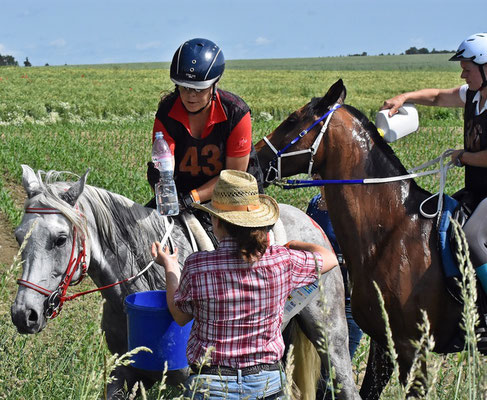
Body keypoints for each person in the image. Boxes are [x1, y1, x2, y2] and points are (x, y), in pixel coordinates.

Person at [151, 170, 339, 400]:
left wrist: (170, 267)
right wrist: (293, 244)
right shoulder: (282, 261)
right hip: (266, 384)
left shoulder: (198, 265)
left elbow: (180, 316)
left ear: (216, 221)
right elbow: (328, 258)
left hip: (210, 385)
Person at [381, 32, 487, 294]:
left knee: (473, 238)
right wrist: (405, 97)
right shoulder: (473, 95)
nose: (463, 76)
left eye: (467, 69)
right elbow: (439, 96)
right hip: (477, 191)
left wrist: (463, 157)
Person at [147, 38, 264, 232]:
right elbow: (166, 164)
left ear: (214, 85)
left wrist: (191, 198)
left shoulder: (236, 111)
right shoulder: (167, 112)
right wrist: (160, 181)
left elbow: (233, 176)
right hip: (183, 196)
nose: (191, 95)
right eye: (184, 88)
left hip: (234, 194)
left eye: (199, 89)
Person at [306, 192, 363, 359]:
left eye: (319, 171)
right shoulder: (315, 202)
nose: (315, 175)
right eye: (313, 172)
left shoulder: (351, 205)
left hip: (345, 299)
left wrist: (334, 259)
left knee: (336, 369)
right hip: (314, 294)